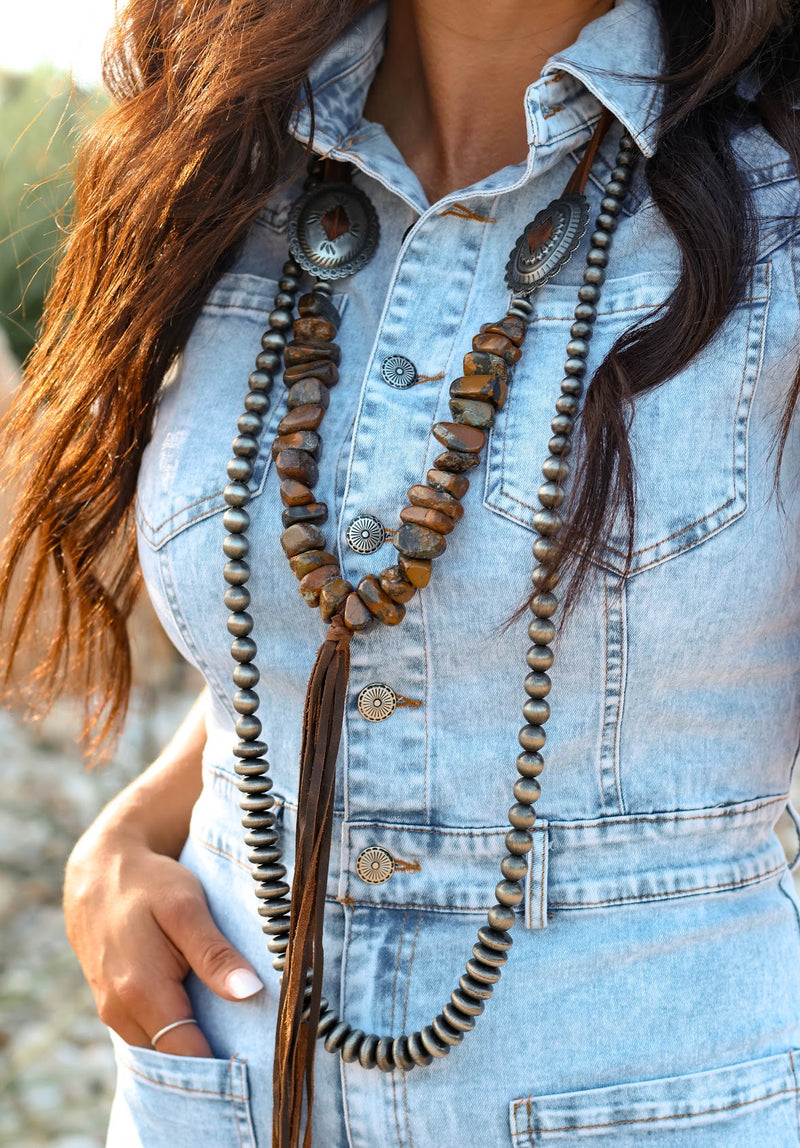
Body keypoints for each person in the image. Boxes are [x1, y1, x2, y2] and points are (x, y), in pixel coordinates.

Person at [2, 0, 800, 1144]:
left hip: (658, 1093)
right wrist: (138, 822)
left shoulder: (775, 177)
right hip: (220, 1094)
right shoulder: (220, 141)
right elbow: (343, 620)